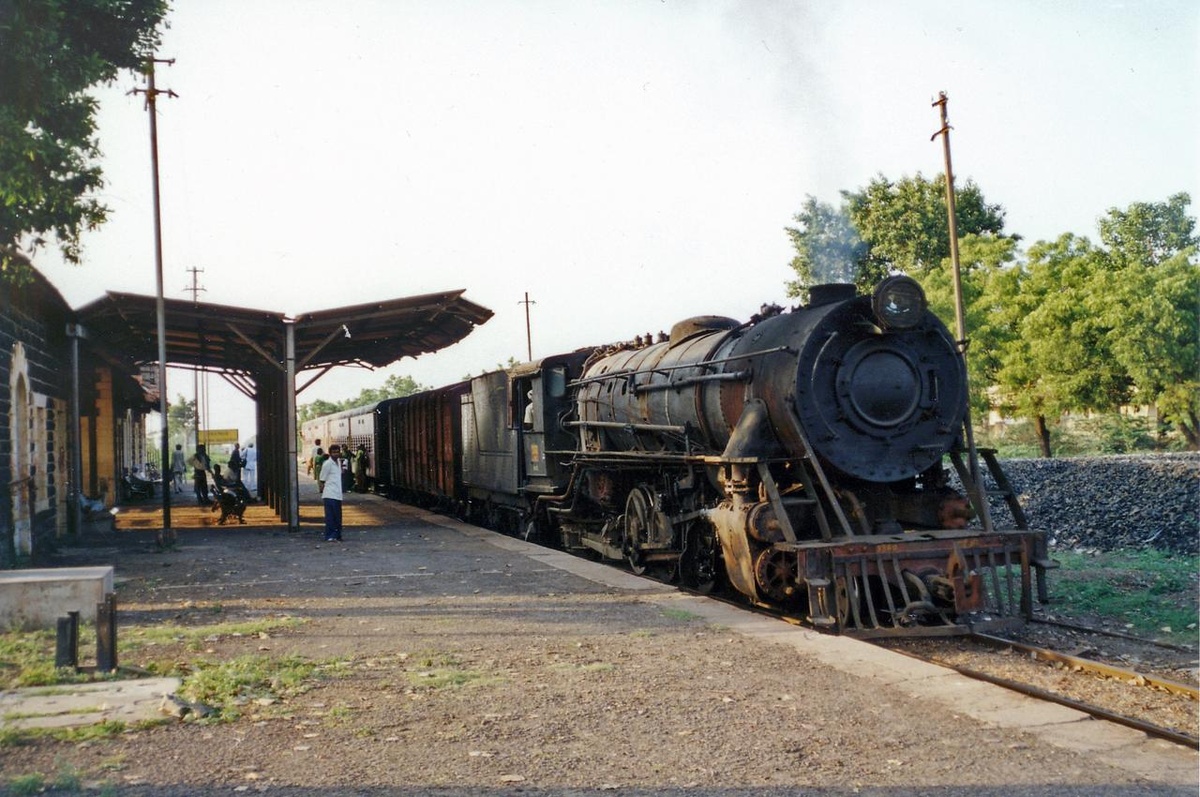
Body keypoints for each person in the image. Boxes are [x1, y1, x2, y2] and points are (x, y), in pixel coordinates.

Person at [319, 443, 344, 541]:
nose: (336, 454)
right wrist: (322, 490)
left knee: (337, 517)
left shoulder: (338, 462)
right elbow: (322, 479)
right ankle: (330, 536)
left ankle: (337, 535)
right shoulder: (327, 464)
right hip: (329, 494)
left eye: (337, 452)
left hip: (337, 494)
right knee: (330, 517)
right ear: (330, 453)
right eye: (333, 452)